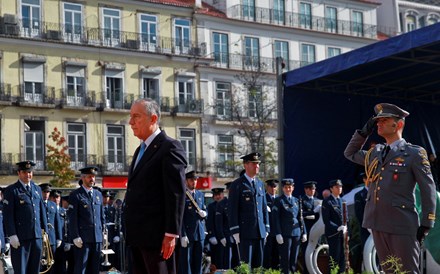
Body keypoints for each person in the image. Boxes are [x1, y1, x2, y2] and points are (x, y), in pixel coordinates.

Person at [344, 103, 437, 273]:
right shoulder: (375, 153)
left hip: (401, 225)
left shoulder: (414, 154)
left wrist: (427, 222)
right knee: (389, 271)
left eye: (384, 120)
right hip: (377, 223)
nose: (378, 124)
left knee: (406, 271)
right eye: (377, 121)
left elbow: (428, 189)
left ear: (398, 124)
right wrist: (363, 133)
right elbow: (349, 153)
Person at [123, 98, 187, 274]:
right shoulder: (140, 150)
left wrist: (171, 233)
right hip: (137, 236)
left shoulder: (170, 148)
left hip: (157, 238)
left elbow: (176, 193)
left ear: (153, 119)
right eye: (130, 117)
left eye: (136, 116)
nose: (131, 122)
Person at [3, 161, 49, 274]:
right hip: (20, 238)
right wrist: (12, 234)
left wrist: (45, 232)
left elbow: (41, 211)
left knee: (34, 270)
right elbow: (8, 215)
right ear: (19, 173)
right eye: (24, 172)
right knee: (21, 270)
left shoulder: (37, 189)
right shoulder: (12, 190)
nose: (28, 175)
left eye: (30, 172)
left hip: (36, 236)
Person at [228, 152, 270, 268]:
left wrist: (266, 227)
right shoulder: (237, 185)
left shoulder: (260, 184)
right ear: (245, 165)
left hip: (259, 232)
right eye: (254, 163)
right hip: (245, 232)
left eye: (258, 164)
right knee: (246, 265)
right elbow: (232, 210)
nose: (257, 166)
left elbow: (263, 208)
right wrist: (235, 230)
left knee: (258, 266)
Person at [68, 166, 105, 274]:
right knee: (81, 268)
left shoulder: (98, 194)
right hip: (83, 240)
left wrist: (103, 233)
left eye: (93, 177)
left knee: (95, 269)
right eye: (89, 177)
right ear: (83, 178)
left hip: (96, 238)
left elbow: (101, 216)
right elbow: (72, 218)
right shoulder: (76, 195)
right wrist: (75, 236)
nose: (92, 179)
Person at [272, 178, 307, 274]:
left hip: (296, 233)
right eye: (286, 187)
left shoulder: (296, 200)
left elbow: (300, 217)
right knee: (285, 259)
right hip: (285, 233)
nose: (288, 189)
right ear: (283, 188)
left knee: (294, 258)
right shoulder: (278, 200)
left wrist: (304, 232)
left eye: (290, 187)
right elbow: (276, 219)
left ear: (293, 188)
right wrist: (278, 233)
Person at [178, 171, 207, 274]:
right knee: (186, 264)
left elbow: (203, 210)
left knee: (198, 263)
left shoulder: (200, 194)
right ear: (186, 181)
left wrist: (205, 213)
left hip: (199, 234)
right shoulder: (181, 195)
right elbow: (179, 217)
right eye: (191, 180)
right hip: (188, 234)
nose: (194, 182)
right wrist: (182, 234)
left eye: (195, 180)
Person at [321, 179, 348, 273]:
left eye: (340, 186)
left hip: (343, 234)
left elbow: (346, 218)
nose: (339, 188)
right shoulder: (327, 201)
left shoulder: (343, 200)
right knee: (334, 258)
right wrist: (337, 227)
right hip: (333, 234)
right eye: (337, 187)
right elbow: (326, 220)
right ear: (331, 189)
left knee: (343, 258)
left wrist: (347, 230)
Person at [215, 182, 238, 270]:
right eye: (230, 190)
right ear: (227, 191)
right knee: (227, 260)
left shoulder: (237, 202)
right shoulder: (221, 204)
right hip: (226, 236)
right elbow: (218, 222)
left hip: (237, 236)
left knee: (237, 260)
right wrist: (221, 236)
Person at [300, 181, 320, 273]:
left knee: (316, 252)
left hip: (316, 229)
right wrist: (313, 212)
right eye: (310, 189)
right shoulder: (302, 200)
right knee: (306, 252)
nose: (312, 190)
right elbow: (301, 214)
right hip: (307, 229)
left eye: (314, 189)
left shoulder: (317, 200)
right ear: (306, 190)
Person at [40, 183, 63, 259]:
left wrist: (59, 237)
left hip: (52, 238)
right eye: (44, 192)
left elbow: (57, 222)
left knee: (51, 262)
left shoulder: (52, 205)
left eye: (48, 192)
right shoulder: (37, 204)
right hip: (40, 237)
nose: (46, 194)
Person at [263, 179, 280, 270]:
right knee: (267, 254)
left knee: (276, 255)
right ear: (267, 187)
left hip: (277, 231)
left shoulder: (279, 199)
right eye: (271, 186)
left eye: (275, 186)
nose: (273, 188)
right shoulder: (263, 198)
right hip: (268, 231)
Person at [206, 187, 224, 269]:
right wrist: (211, 235)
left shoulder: (227, 204)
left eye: (219, 194)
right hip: (215, 238)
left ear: (222, 195)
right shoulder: (211, 206)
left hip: (225, 237)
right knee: (216, 261)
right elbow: (209, 222)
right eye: (216, 195)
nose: (218, 197)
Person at [354, 173, 369, 249]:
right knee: (367, 248)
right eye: (368, 178)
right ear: (364, 180)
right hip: (366, 227)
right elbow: (359, 213)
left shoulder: (377, 193)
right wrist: (366, 224)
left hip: (377, 226)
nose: (370, 180)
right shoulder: (359, 195)